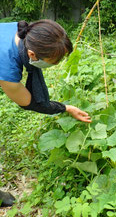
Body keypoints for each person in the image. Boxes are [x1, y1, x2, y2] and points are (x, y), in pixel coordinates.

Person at [0, 19, 91, 206]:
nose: (54, 65)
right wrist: (66, 108)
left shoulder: (23, 31)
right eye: (52, 62)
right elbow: (30, 102)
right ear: (32, 54)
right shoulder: (7, 67)